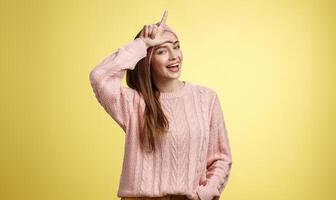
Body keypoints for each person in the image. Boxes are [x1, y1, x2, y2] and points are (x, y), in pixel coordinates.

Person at [89, 10, 232, 200]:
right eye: (162, 51)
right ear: (146, 61)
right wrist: (141, 44)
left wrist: (204, 195)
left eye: (176, 47)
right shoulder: (134, 103)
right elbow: (100, 77)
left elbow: (221, 158)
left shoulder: (206, 98)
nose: (174, 56)